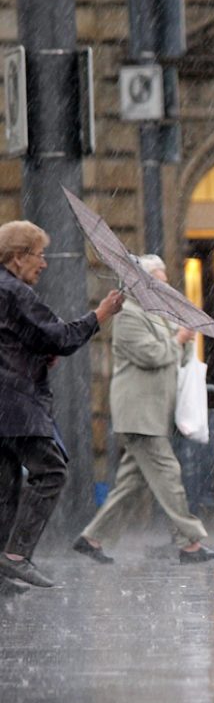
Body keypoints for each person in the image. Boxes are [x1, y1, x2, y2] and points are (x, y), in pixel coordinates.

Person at [0, 220, 124, 591]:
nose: (44, 263)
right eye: (39, 255)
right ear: (18, 257)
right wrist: (101, 313)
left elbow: (16, 341)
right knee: (51, 471)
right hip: (16, 402)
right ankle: (17, 556)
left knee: (5, 486)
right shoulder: (17, 292)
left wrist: (39, 353)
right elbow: (60, 336)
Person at [75, 255, 214, 565]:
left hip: (154, 414)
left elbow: (176, 359)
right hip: (139, 415)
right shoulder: (129, 315)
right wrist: (178, 339)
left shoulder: (159, 315)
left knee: (131, 483)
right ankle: (190, 542)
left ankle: (92, 537)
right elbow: (152, 355)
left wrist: (186, 339)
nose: (165, 285)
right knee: (168, 475)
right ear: (144, 283)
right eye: (159, 280)